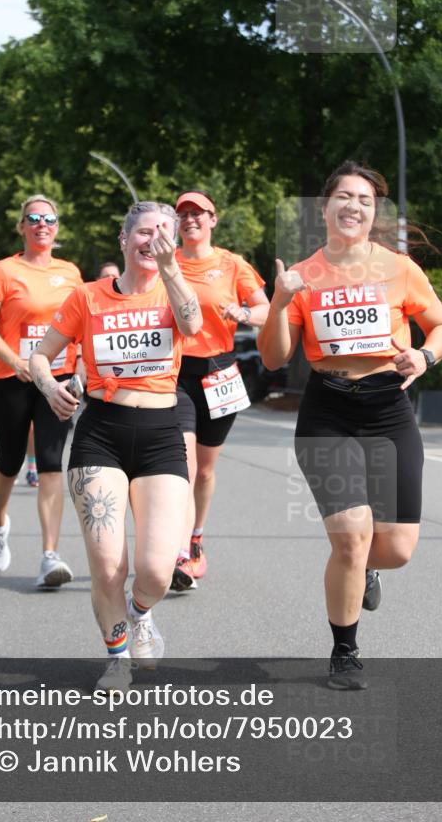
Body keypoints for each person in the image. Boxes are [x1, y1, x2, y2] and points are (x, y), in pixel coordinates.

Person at [257, 161, 442, 689]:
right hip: (329, 411)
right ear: (325, 209)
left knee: (396, 549)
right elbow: (275, 359)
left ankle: (363, 568)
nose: (354, 206)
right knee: (350, 536)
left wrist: (424, 356)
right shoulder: (302, 275)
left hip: (389, 408)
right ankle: (345, 651)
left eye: (365, 199)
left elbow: (441, 324)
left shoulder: (399, 268)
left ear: (375, 211)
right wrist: (279, 302)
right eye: (344, 197)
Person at [30, 201, 202, 693]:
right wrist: (50, 387)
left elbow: (191, 327)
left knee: (155, 570)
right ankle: (118, 657)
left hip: (160, 434)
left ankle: (141, 612)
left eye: (166, 233)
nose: (156, 240)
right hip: (101, 432)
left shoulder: (175, 289)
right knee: (108, 565)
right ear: (124, 241)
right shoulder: (86, 298)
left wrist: (172, 270)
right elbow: (42, 356)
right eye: (146, 232)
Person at [0, 194, 83, 587]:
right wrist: (18, 361)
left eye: (49, 219)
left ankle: (49, 555)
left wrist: (82, 370)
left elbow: (82, 324)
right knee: (11, 460)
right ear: (21, 226)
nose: (42, 224)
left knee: (52, 461)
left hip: (57, 378)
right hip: (11, 379)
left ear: (57, 228)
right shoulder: (4, 270)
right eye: (33, 218)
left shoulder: (71, 273)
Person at [171, 190, 270, 591]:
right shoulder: (166, 263)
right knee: (184, 463)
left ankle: (195, 537)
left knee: (205, 469)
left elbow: (265, 309)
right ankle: (177, 551)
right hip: (174, 373)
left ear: (213, 219)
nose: (191, 219)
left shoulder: (232, 264)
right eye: (184, 214)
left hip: (219, 371)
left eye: (199, 213)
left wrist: (244, 313)